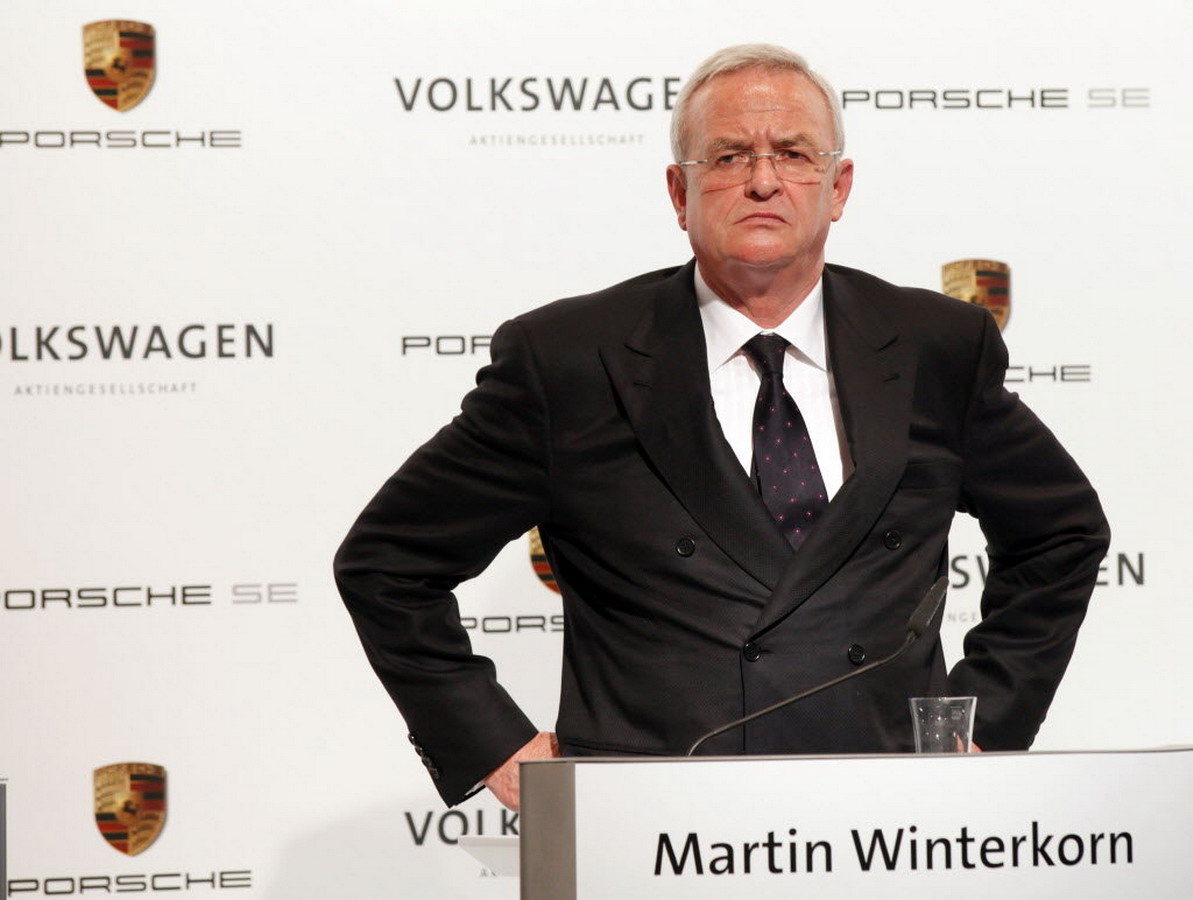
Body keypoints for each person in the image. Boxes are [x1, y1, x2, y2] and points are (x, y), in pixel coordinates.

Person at [334, 43, 1109, 810]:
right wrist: (497, 749)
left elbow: (1060, 533)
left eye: (793, 154)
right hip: (651, 825)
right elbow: (388, 562)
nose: (763, 180)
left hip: (885, 812)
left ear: (837, 187)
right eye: (729, 156)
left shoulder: (933, 345)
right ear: (679, 192)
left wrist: (981, 725)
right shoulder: (568, 360)